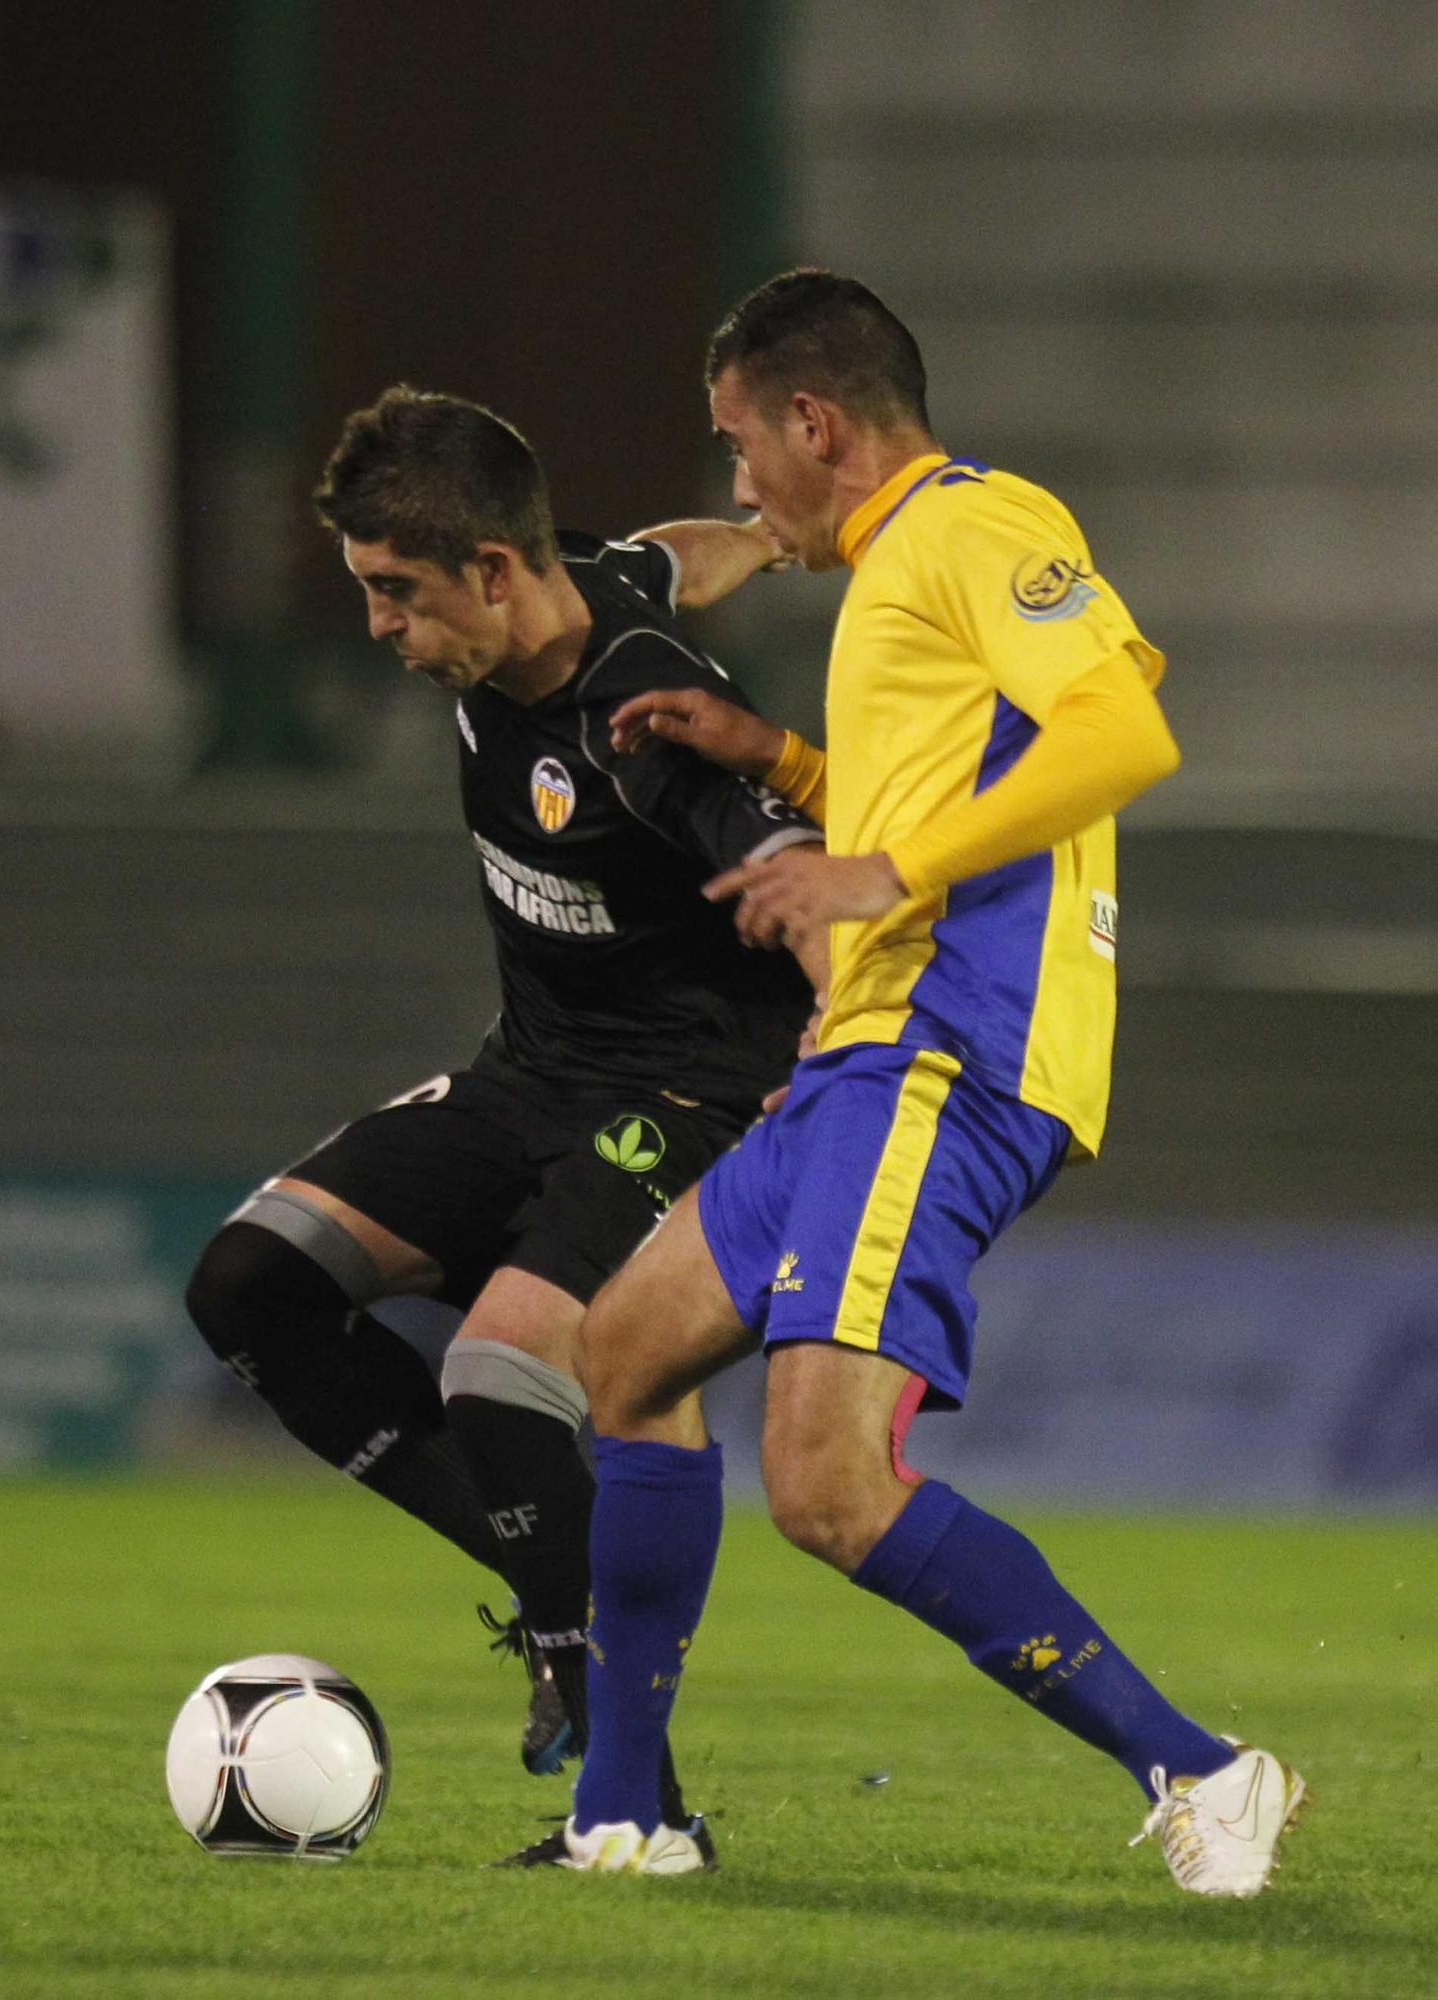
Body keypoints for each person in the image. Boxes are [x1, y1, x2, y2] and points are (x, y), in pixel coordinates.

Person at [538, 271, 1306, 1893]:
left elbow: (1117, 729)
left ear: (813, 423)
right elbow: (959, 782)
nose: (737, 487)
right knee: (624, 1349)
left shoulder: (975, 523)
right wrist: (772, 763)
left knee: (824, 1484)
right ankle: (632, 1817)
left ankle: (1201, 1771)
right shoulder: (897, 585)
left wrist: (876, 866)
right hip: (853, 1061)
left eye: (740, 445)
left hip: (946, 1050)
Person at [184, 386, 824, 1838]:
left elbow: (797, 866)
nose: (377, 629)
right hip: (527, 1073)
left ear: (488, 571)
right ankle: (562, 1605)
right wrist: (769, 538)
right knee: (250, 1285)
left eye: (394, 594)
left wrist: (845, 1030)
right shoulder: (571, 580)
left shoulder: (646, 717)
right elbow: (668, 551)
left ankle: (636, 1803)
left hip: (687, 1099)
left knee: (496, 1373)